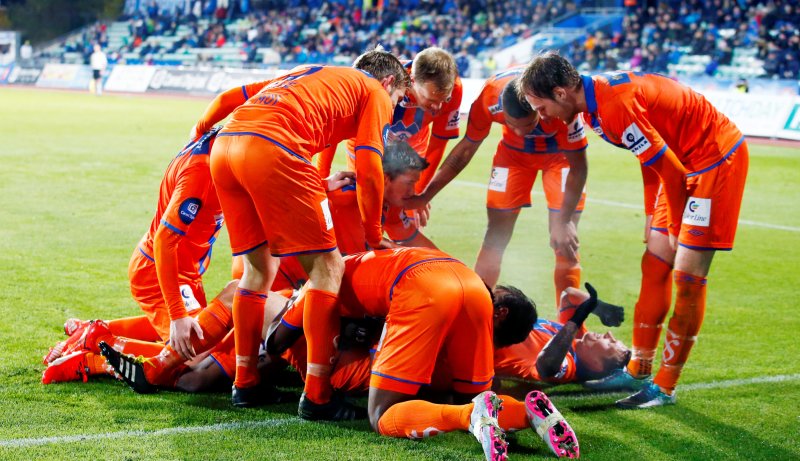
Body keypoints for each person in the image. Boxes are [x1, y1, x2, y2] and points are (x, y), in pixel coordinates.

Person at [518, 52, 749, 408]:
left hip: (713, 161)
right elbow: (653, 157)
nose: (541, 115)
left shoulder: (613, 106)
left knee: (687, 277)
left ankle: (665, 387)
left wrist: (673, 223)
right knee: (655, 264)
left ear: (562, 92)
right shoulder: (593, 107)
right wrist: (649, 211)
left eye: (541, 106)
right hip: (679, 164)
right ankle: (639, 368)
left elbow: (669, 170)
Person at [194, 50, 410, 415]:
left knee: (258, 269)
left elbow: (232, 97)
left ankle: (245, 384)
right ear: (388, 82)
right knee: (328, 267)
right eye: (400, 99)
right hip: (274, 148)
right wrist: (374, 232)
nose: (396, 106)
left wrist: (201, 129)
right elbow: (371, 161)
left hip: (227, 147)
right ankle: (317, 394)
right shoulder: (374, 89)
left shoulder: (310, 71)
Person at [406, 68, 588, 300]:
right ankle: (475, 306)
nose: (520, 132)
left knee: (563, 239)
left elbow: (579, 165)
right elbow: (466, 148)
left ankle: (569, 323)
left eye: (527, 125)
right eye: (512, 124)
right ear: (502, 112)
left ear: (538, 108)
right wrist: (426, 194)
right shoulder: (490, 96)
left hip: (561, 158)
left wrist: (564, 220)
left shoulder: (558, 102)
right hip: (513, 157)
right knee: (495, 234)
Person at [317, 47, 462, 231]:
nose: (437, 107)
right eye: (429, 99)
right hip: (368, 143)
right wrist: (322, 180)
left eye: (444, 100)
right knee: (366, 208)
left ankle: (399, 254)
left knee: (403, 220)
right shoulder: (385, 82)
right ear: (412, 81)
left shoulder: (453, 87)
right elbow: (335, 128)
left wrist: (419, 193)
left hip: (411, 153)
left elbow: (439, 143)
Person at [494, 284, 629, 387]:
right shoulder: (577, 337)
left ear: (597, 364)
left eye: (611, 343)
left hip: (486, 338)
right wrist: (601, 307)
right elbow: (569, 295)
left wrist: (576, 321)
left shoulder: (569, 366)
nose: (609, 334)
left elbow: (547, 367)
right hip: (494, 317)